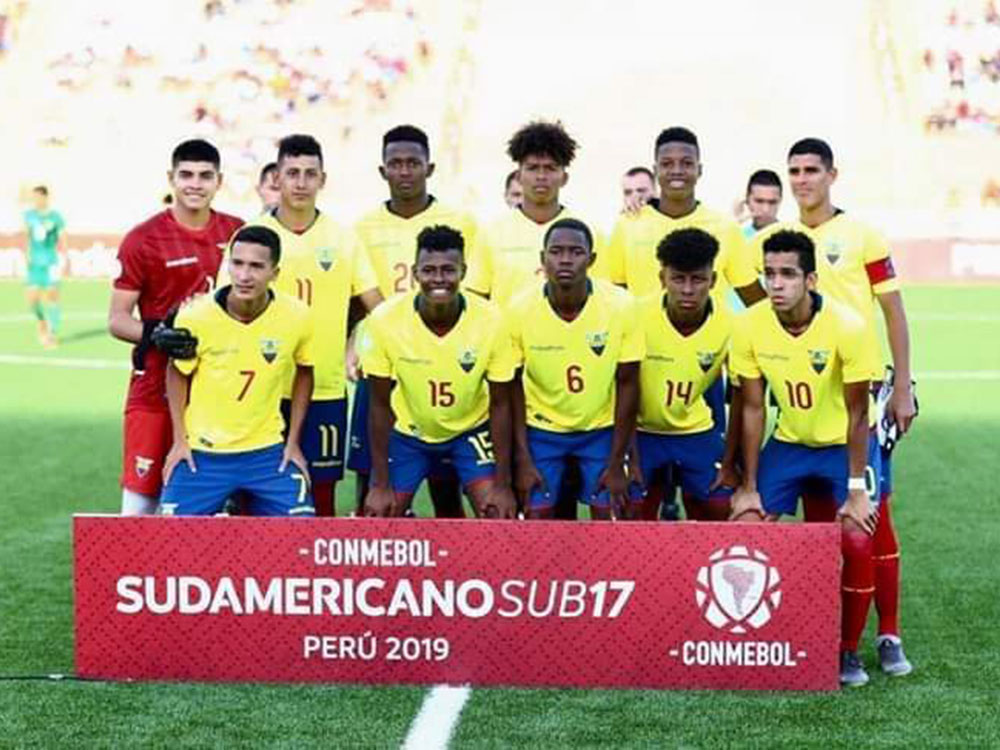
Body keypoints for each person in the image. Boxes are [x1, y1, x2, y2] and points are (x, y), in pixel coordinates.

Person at [755, 137, 918, 676]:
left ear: (832, 174)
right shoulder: (783, 241)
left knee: (873, 519)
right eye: (794, 171)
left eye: (811, 170)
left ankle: (888, 633)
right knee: (824, 524)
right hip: (807, 402)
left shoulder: (862, 234)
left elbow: (893, 311)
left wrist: (901, 387)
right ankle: (826, 635)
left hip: (860, 392)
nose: (802, 180)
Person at [729, 229, 880, 687]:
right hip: (790, 443)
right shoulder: (749, 325)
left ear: (811, 279)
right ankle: (763, 636)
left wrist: (856, 491)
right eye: (770, 274)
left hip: (843, 446)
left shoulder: (849, 326)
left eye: (788, 275)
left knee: (856, 538)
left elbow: (858, 413)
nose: (776, 284)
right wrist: (749, 485)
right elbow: (753, 408)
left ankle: (848, 649)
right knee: (745, 529)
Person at [246, 134, 382, 517]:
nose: (301, 182)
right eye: (293, 173)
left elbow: (375, 305)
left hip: (325, 388)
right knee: (254, 493)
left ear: (323, 179)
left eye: (310, 174)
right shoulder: (253, 236)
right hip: (263, 389)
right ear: (278, 178)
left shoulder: (343, 238)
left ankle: (314, 575)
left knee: (321, 496)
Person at [108, 139, 243, 516]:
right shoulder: (143, 238)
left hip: (220, 391)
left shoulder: (238, 233)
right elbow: (117, 320)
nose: (195, 184)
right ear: (171, 178)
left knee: (218, 509)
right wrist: (158, 336)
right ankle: (134, 573)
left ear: (219, 181)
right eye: (186, 175)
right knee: (140, 506)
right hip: (154, 388)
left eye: (205, 176)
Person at [349, 125, 478, 517]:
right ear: (382, 170)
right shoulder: (363, 227)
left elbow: (469, 291)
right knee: (371, 469)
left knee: (445, 477)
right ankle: (371, 555)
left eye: (413, 163)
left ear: (430, 167)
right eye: (396, 163)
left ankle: (448, 561)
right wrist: (352, 343)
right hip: (383, 357)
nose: (405, 171)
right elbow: (359, 296)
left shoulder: (460, 222)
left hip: (443, 358)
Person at [359, 225, 516, 518]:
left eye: (448, 270)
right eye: (429, 270)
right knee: (380, 515)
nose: (439, 279)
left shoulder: (492, 319)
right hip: (409, 433)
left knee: (498, 512)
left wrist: (504, 484)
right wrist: (380, 483)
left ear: (463, 272)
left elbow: (501, 404)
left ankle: (479, 565)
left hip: (471, 429)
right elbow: (379, 405)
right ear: (416, 272)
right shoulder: (385, 320)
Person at [161, 226, 315, 516]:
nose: (244, 276)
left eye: (256, 266)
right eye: (238, 263)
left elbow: (305, 372)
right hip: (203, 454)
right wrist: (180, 441)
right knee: (171, 545)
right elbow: (177, 372)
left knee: (301, 536)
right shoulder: (196, 316)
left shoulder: (297, 315)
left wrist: (293, 443)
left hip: (268, 453)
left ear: (275, 273)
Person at [509, 218, 643, 520]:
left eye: (576, 251)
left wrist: (617, 460)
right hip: (542, 429)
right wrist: (523, 458)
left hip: (600, 429)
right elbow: (511, 388)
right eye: (556, 251)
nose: (565, 259)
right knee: (535, 515)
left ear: (592, 259)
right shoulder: (519, 309)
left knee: (613, 511)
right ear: (542, 259)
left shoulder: (621, 306)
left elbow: (629, 384)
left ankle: (611, 569)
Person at [632, 228, 739, 521]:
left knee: (723, 505)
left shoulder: (732, 325)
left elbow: (744, 399)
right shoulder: (634, 315)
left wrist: (731, 460)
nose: (688, 290)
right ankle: (640, 567)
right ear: (662, 279)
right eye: (678, 279)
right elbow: (620, 389)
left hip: (696, 431)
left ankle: (702, 565)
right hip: (641, 433)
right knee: (630, 507)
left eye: (698, 279)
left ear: (713, 280)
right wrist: (625, 456)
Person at [467, 120, 601, 307]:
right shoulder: (491, 233)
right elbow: (475, 299)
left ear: (564, 177)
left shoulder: (588, 233)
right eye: (532, 168)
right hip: (508, 336)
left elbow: (602, 297)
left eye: (550, 168)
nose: (541, 176)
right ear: (519, 176)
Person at [22, 185, 66, 348]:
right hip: (35, 263)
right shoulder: (29, 216)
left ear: (45, 197)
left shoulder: (55, 217)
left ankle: (52, 333)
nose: (36, 201)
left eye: (38, 197)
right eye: (33, 198)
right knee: (32, 299)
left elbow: (62, 238)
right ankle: (41, 322)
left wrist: (64, 257)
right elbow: (26, 237)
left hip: (51, 262)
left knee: (52, 297)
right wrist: (26, 255)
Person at [741, 169, 782, 239]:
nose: (766, 209)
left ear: (780, 201)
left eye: (772, 202)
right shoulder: (739, 237)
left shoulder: (794, 238)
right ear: (747, 200)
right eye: (759, 201)